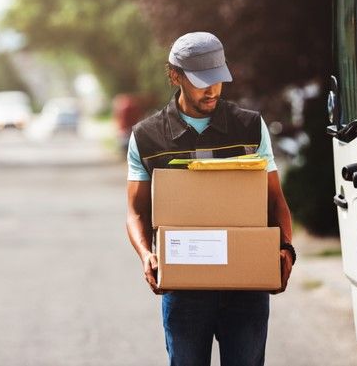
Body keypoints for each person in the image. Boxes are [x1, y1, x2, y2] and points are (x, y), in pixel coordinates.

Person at [125, 32, 295, 366]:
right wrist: (146, 255)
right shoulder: (147, 137)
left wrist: (286, 248)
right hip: (184, 290)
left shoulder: (249, 127)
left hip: (247, 287)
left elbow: (275, 200)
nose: (212, 89)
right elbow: (135, 211)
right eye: (202, 81)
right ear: (175, 75)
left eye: (218, 80)